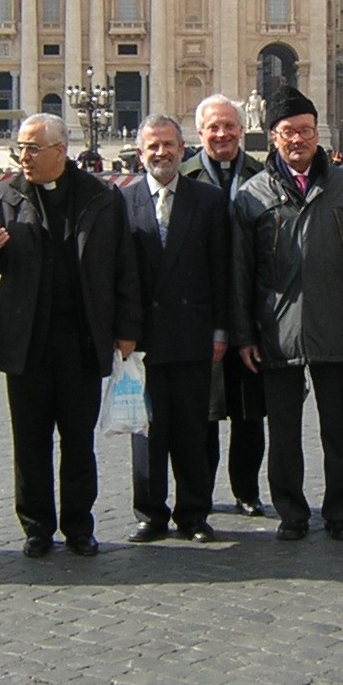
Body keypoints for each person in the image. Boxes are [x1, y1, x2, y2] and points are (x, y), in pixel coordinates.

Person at [0, 113, 140, 558]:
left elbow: (125, 267)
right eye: (20, 149)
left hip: (81, 336)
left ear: (60, 152)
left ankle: (80, 525)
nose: (23, 157)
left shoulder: (101, 198)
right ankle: (36, 526)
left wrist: (126, 329)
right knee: (29, 440)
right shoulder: (2, 195)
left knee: (78, 441)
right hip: (27, 338)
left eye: (32, 149)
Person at [232, 87, 343, 542]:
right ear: (273, 139)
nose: (297, 140)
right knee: (283, 432)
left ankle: (341, 510)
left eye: (305, 131)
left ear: (317, 134)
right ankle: (291, 512)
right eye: (288, 133)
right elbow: (242, 272)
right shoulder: (251, 195)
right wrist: (246, 334)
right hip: (277, 330)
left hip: (339, 326)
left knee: (339, 429)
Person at [122, 114, 230, 544]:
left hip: (193, 331)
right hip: (143, 337)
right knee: (147, 431)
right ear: (140, 152)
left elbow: (221, 270)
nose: (161, 153)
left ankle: (194, 513)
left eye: (168, 145)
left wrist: (221, 330)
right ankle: (150, 512)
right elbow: (118, 274)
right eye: (153, 146)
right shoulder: (124, 202)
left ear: (182, 149)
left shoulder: (208, 200)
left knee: (191, 428)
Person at [180, 94, 269, 516]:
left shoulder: (262, 172)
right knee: (205, 412)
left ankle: (247, 490)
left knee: (250, 412)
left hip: (251, 311)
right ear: (200, 134)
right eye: (213, 128)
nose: (222, 134)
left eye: (229, 126)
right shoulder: (183, 177)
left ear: (242, 130)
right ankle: (201, 491)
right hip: (200, 314)